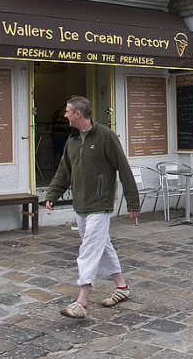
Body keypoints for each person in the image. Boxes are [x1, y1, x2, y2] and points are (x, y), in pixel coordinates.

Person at [44, 96, 140, 319]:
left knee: (89, 250)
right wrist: (52, 194)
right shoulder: (73, 140)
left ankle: (81, 302)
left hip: (100, 204)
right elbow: (64, 172)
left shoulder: (106, 136)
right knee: (102, 246)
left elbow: (123, 168)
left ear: (78, 114)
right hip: (81, 204)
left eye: (68, 112)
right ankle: (122, 287)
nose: (65, 115)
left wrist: (132, 202)